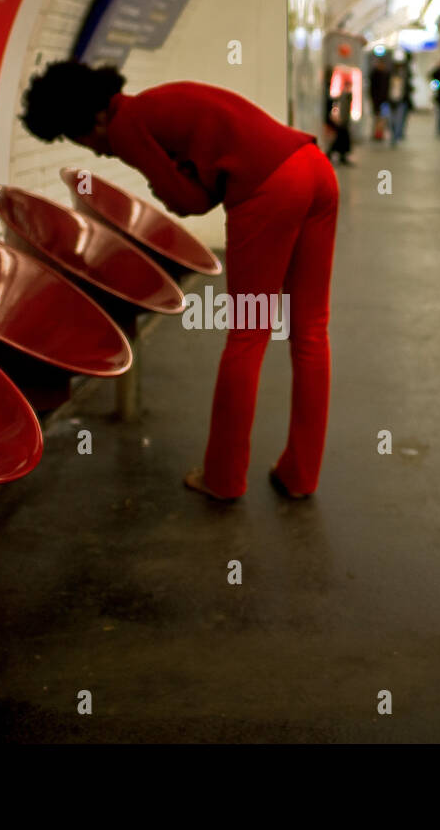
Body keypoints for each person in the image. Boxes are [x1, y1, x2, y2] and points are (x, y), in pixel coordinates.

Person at [21, 62, 339, 501]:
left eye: (75, 136)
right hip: (315, 169)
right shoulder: (152, 103)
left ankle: (224, 479)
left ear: (90, 118)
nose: (91, 151)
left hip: (269, 190)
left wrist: (167, 188)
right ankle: (301, 474)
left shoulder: (126, 127)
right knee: (310, 331)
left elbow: (190, 202)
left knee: (248, 336)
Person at [388, 61, 414, 146]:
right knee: (391, 120)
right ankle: (393, 135)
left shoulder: (405, 79)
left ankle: (396, 136)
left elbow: (408, 89)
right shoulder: (389, 78)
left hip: (401, 102)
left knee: (399, 120)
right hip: (391, 102)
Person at [368, 56, 391, 141]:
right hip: (377, 100)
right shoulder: (375, 74)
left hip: (384, 100)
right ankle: (376, 133)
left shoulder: (386, 74)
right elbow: (372, 89)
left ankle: (380, 133)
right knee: (377, 118)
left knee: (383, 118)